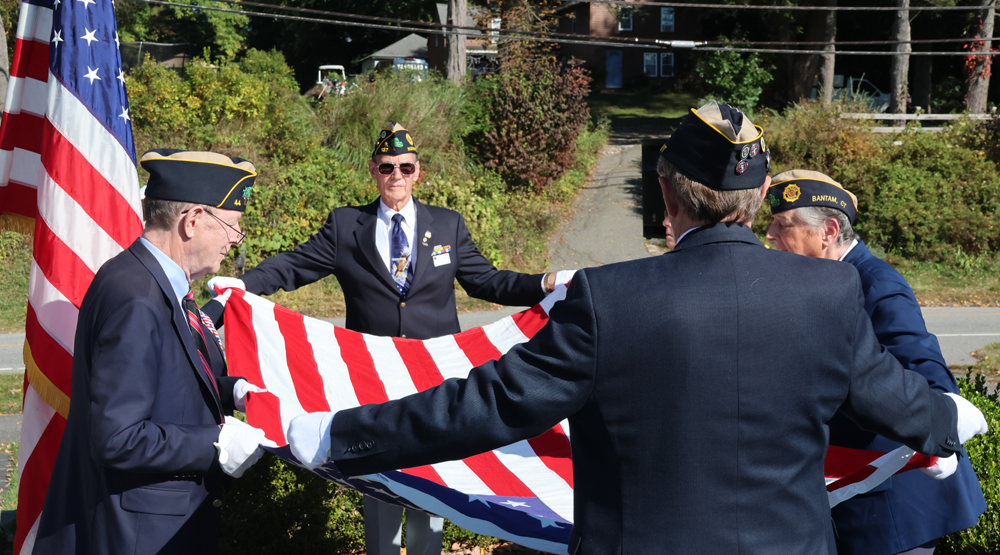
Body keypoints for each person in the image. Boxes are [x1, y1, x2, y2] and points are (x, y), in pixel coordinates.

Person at [284, 102, 987, 554]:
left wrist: (339, 434)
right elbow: (902, 404)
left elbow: (484, 406)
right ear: (761, 196)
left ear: (664, 190)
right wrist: (950, 420)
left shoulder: (607, 299)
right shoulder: (830, 295)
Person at [205, 122, 566, 555]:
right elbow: (293, 266)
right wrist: (244, 287)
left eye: (405, 167)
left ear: (418, 172)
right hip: (370, 376)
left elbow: (488, 283)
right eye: (387, 166)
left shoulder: (448, 225)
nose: (396, 175)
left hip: (434, 376)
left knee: (433, 477)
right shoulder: (346, 226)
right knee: (378, 479)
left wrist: (544, 282)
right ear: (374, 171)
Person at [34, 150, 275, 555]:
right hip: (137, 532)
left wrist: (230, 390)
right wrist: (214, 443)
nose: (236, 240)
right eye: (232, 226)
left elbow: (167, 379)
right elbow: (117, 437)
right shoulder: (138, 298)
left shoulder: (151, 278)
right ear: (192, 220)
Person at [764, 169, 986, 555]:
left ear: (828, 231)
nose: (769, 236)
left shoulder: (876, 283)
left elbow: (927, 373)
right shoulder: (821, 283)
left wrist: (941, 427)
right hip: (851, 496)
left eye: (782, 225)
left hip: (895, 506)